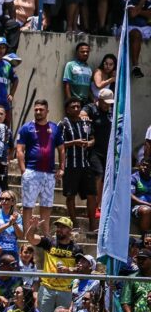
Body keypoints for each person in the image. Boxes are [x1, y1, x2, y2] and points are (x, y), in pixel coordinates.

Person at [16, 99, 65, 235]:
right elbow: (19, 150)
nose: (38, 112)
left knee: (47, 205)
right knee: (28, 205)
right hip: (31, 171)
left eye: (41, 109)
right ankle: (27, 233)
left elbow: (61, 149)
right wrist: (23, 170)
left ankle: (46, 234)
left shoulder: (55, 128)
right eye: (36, 109)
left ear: (47, 111)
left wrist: (62, 168)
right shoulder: (26, 128)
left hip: (49, 174)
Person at [26, 216, 81, 312]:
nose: (59, 229)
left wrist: (69, 269)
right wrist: (33, 228)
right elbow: (30, 238)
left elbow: (81, 268)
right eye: (58, 226)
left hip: (65, 291)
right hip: (47, 289)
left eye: (63, 227)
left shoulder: (76, 249)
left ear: (69, 230)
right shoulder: (49, 242)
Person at [60, 97, 97, 231]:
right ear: (67, 110)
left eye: (78, 106)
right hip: (71, 164)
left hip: (85, 163)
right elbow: (59, 144)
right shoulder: (63, 124)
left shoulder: (86, 123)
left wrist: (89, 143)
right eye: (73, 107)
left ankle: (93, 224)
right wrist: (74, 142)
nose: (76, 109)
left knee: (91, 194)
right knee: (70, 195)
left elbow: (93, 138)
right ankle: (74, 223)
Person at [119, 0, 151, 78]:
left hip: (145, 27)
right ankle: (135, 67)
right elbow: (132, 14)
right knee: (136, 34)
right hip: (128, 27)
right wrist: (142, 2)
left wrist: (138, 10)